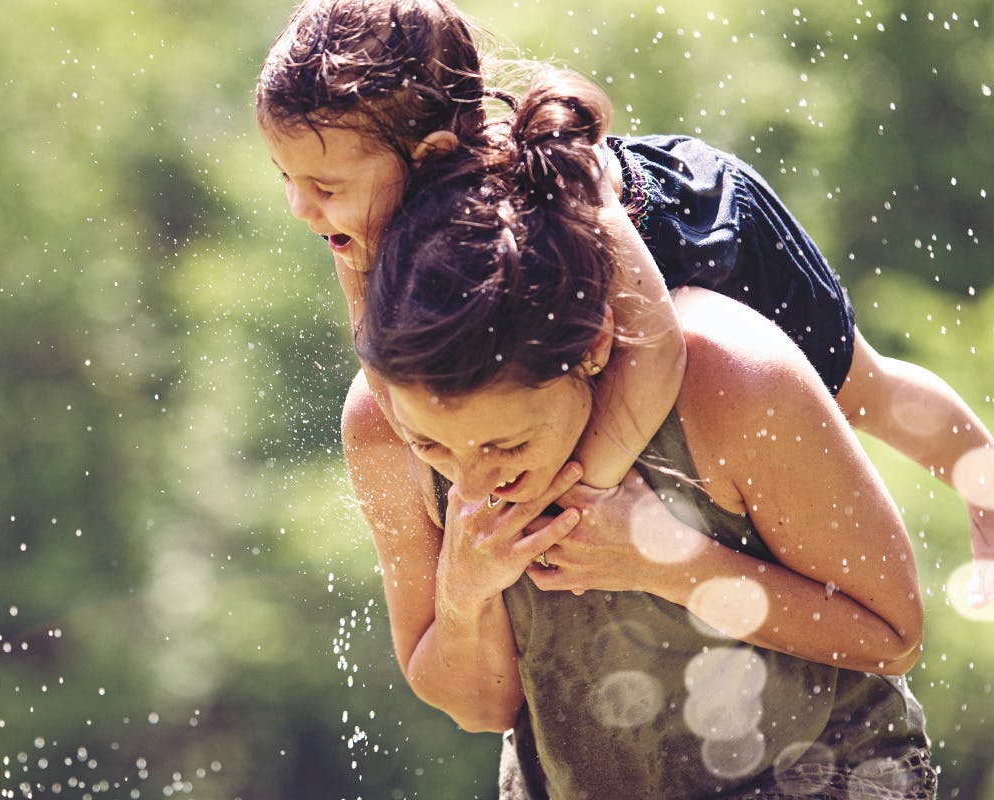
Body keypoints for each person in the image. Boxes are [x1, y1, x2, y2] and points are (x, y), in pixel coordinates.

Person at [256, 0, 994, 612]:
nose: (299, 205)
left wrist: (579, 496)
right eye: (285, 177)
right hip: (566, 298)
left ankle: (981, 472)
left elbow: (658, 349)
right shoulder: (359, 222)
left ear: (431, 153)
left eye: (324, 187)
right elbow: (376, 351)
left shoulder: (560, 176)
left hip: (698, 242)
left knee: (865, 390)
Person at [353, 67, 937, 798]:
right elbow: (484, 707)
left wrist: (666, 561)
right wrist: (465, 590)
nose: (472, 482)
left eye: (505, 445)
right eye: (435, 448)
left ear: (594, 348)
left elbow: (892, 633)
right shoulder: (381, 425)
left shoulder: (730, 378)